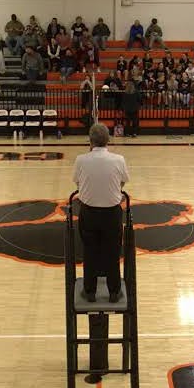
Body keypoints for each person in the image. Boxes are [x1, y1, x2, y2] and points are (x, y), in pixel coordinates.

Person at [73, 123, 130, 303]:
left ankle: (90, 291)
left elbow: (77, 183)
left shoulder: (81, 160)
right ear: (108, 140)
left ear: (90, 141)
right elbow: (123, 181)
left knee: (90, 251)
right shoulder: (119, 159)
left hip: (88, 212)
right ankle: (114, 291)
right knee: (112, 252)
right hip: (112, 213)